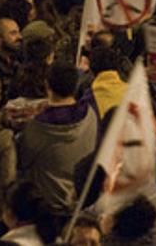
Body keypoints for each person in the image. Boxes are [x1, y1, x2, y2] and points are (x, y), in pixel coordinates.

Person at [17, 61, 98, 217]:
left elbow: (23, 161)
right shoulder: (91, 115)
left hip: (47, 207)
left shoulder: (37, 127)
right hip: (80, 204)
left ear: (47, 85)